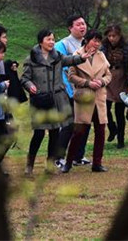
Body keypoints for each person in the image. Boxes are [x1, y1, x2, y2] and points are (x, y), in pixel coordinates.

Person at [20, 28, 90, 176]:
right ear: (41, 41)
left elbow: (69, 60)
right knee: (38, 134)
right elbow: (25, 78)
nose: (52, 42)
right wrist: (30, 86)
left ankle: (50, 165)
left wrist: (82, 57)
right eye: (48, 39)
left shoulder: (57, 56)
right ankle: (29, 166)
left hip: (56, 100)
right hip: (40, 100)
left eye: (53, 39)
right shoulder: (31, 58)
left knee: (54, 133)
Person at [61, 30, 111, 173]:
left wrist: (101, 81)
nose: (97, 44)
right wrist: (87, 83)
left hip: (99, 98)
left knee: (100, 131)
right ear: (87, 40)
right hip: (84, 97)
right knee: (79, 132)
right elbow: (71, 76)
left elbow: (109, 75)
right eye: (95, 40)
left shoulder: (101, 56)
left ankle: (97, 163)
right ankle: (69, 162)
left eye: (99, 41)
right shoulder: (76, 55)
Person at [55, 14, 92, 167]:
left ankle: (78, 155)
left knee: (85, 123)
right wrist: (69, 90)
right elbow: (60, 69)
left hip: (87, 90)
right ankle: (59, 157)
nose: (82, 27)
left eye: (84, 23)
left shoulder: (89, 44)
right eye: (78, 24)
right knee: (68, 124)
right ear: (70, 27)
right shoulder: (62, 45)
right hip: (68, 91)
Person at [102, 24, 128, 148]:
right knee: (105, 109)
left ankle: (121, 139)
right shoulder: (104, 47)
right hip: (107, 78)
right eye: (109, 36)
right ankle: (112, 128)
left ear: (119, 36)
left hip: (122, 79)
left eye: (114, 36)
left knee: (120, 112)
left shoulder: (127, 48)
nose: (112, 38)